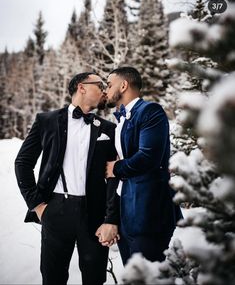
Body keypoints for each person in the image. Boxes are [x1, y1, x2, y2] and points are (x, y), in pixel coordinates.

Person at [15, 72, 120, 285]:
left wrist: (111, 219)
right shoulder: (47, 121)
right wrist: (37, 204)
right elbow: (23, 163)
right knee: (53, 277)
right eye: (100, 85)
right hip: (55, 210)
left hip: (94, 214)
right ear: (81, 87)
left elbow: (113, 178)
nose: (104, 90)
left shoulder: (108, 129)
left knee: (95, 279)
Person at [105, 67, 183, 265]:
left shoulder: (150, 111)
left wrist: (115, 168)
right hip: (126, 213)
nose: (106, 90)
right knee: (132, 275)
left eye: (109, 84)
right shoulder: (119, 119)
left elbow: (149, 157)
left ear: (124, 85)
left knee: (149, 276)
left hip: (149, 212)